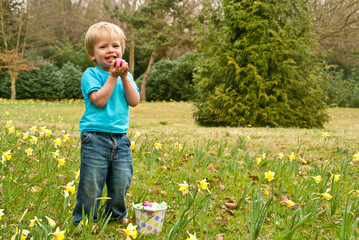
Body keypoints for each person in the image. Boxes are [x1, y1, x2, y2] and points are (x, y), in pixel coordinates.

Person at [73, 21, 140, 225]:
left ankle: (115, 215)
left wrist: (125, 77)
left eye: (115, 46)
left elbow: (134, 101)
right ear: (93, 55)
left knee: (121, 181)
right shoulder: (91, 74)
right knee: (91, 183)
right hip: (94, 138)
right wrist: (112, 76)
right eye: (103, 47)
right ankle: (85, 219)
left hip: (121, 139)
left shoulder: (125, 77)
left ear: (122, 50)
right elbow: (99, 100)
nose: (110, 50)